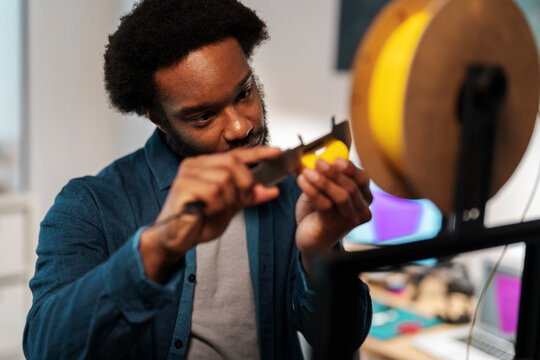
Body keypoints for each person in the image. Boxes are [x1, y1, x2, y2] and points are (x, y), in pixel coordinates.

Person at [23, 0, 373, 359]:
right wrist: (159, 248)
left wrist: (319, 253)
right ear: (158, 118)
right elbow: (46, 349)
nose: (241, 126)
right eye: (204, 116)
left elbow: (344, 337)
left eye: (244, 93)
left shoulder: (292, 193)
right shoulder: (90, 206)